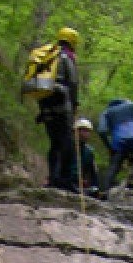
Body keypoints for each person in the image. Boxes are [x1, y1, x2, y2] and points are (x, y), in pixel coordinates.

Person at [37, 26, 81, 189]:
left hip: (46, 107)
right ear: (72, 41)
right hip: (63, 106)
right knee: (67, 144)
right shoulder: (67, 57)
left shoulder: (48, 55)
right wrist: (74, 105)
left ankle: (53, 179)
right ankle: (63, 181)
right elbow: (73, 83)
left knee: (54, 144)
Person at [97, 98, 133, 193]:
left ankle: (103, 191)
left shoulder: (106, 112)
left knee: (113, 167)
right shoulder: (132, 105)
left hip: (118, 142)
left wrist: (109, 147)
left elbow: (102, 131)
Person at [67, 117, 100, 193]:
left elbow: (93, 173)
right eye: (84, 131)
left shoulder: (89, 152)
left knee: (94, 190)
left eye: (88, 131)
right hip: (68, 181)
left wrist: (96, 186)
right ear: (76, 132)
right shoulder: (67, 147)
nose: (86, 134)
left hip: (79, 183)